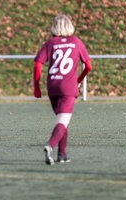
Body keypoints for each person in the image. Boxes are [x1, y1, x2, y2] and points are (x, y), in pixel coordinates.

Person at [33, 14, 92, 165]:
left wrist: (37, 87)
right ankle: (50, 146)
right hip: (68, 87)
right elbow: (89, 66)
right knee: (63, 121)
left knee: (62, 121)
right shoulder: (76, 42)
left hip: (52, 85)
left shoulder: (50, 43)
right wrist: (78, 80)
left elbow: (38, 64)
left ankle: (62, 154)